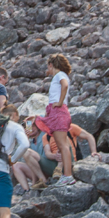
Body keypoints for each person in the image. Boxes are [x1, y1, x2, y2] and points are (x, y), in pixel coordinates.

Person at [35, 53, 74, 184]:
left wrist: (60, 102)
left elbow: (65, 85)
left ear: (51, 65)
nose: (48, 70)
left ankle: (67, 175)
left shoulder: (59, 75)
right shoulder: (61, 76)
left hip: (58, 111)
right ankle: (66, 175)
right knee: (62, 145)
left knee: (63, 146)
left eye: (48, 67)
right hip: (56, 112)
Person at [2, 106, 47, 190]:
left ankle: (42, 181)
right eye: (30, 127)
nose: (32, 128)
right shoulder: (29, 141)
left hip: (46, 166)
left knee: (27, 152)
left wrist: (35, 117)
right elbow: (25, 157)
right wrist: (26, 137)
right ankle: (27, 190)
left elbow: (47, 118)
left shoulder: (43, 134)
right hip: (37, 170)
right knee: (16, 165)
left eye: (34, 126)